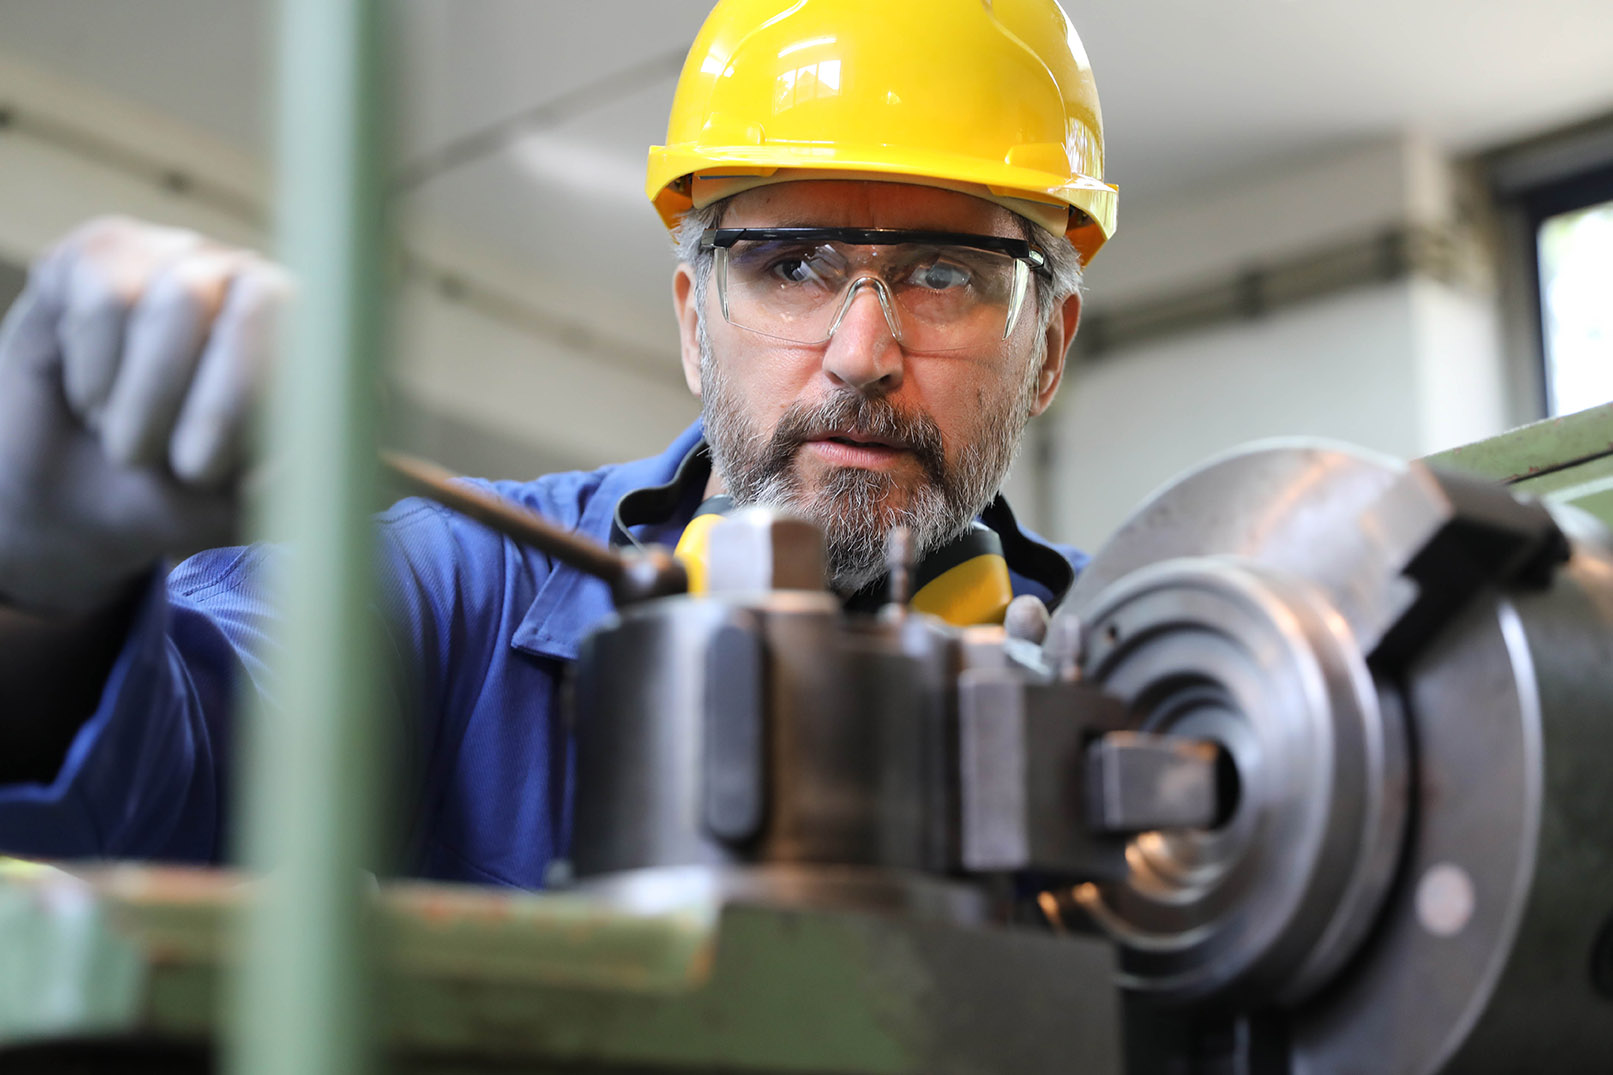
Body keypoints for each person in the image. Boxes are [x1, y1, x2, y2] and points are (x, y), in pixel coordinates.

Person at [0, 0, 1115, 886]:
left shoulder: (1139, 681)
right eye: (790, 265)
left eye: (945, 276)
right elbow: (160, 779)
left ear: (1050, 349)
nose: (861, 351)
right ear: (692, 320)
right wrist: (45, 601)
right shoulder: (457, 596)